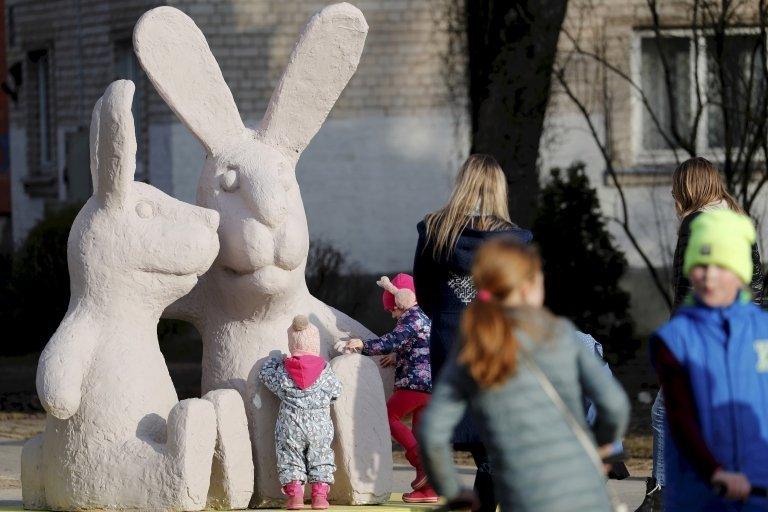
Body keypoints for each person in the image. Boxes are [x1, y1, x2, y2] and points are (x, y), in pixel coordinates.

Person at [418, 238, 630, 512]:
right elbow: (614, 404)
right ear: (532, 286)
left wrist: (451, 489)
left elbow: (432, 431)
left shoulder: (474, 350)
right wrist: (604, 451)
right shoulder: (565, 337)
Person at [638, 157, 766, 512]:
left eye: (676, 186)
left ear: (688, 188)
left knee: (664, 413)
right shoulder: (737, 220)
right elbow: (755, 283)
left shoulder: (696, 224)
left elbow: (686, 291)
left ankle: (660, 494)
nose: (671, 192)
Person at [413, 153, 532, 511]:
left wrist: (451, 317)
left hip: (451, 339)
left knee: (487, 442)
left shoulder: (435, 230)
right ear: (499, 189)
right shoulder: (515, 241)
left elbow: (424, 292)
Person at [341, 274, 437, 503]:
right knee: (419, 435)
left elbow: (392, 339)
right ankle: (428, 490)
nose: (393, 315)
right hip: (431, 387)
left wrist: (363, 345)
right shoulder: (425, 317)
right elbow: (418, 344)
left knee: (388, 416)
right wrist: (398, 356)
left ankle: (422, 463)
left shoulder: (410, 317)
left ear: (401, 301)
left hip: (414, 384)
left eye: (392, 310)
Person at [259, 316, 342, 510]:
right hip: (320, 425)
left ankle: (295, 497)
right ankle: (320, 497)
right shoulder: (325, 371)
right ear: (315, 344)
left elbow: (265, 374)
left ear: (292, 344)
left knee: (290, 457)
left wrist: (275, 361)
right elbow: (336, 391)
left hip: (290, 424)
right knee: (321, 457)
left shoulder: (283, 371)